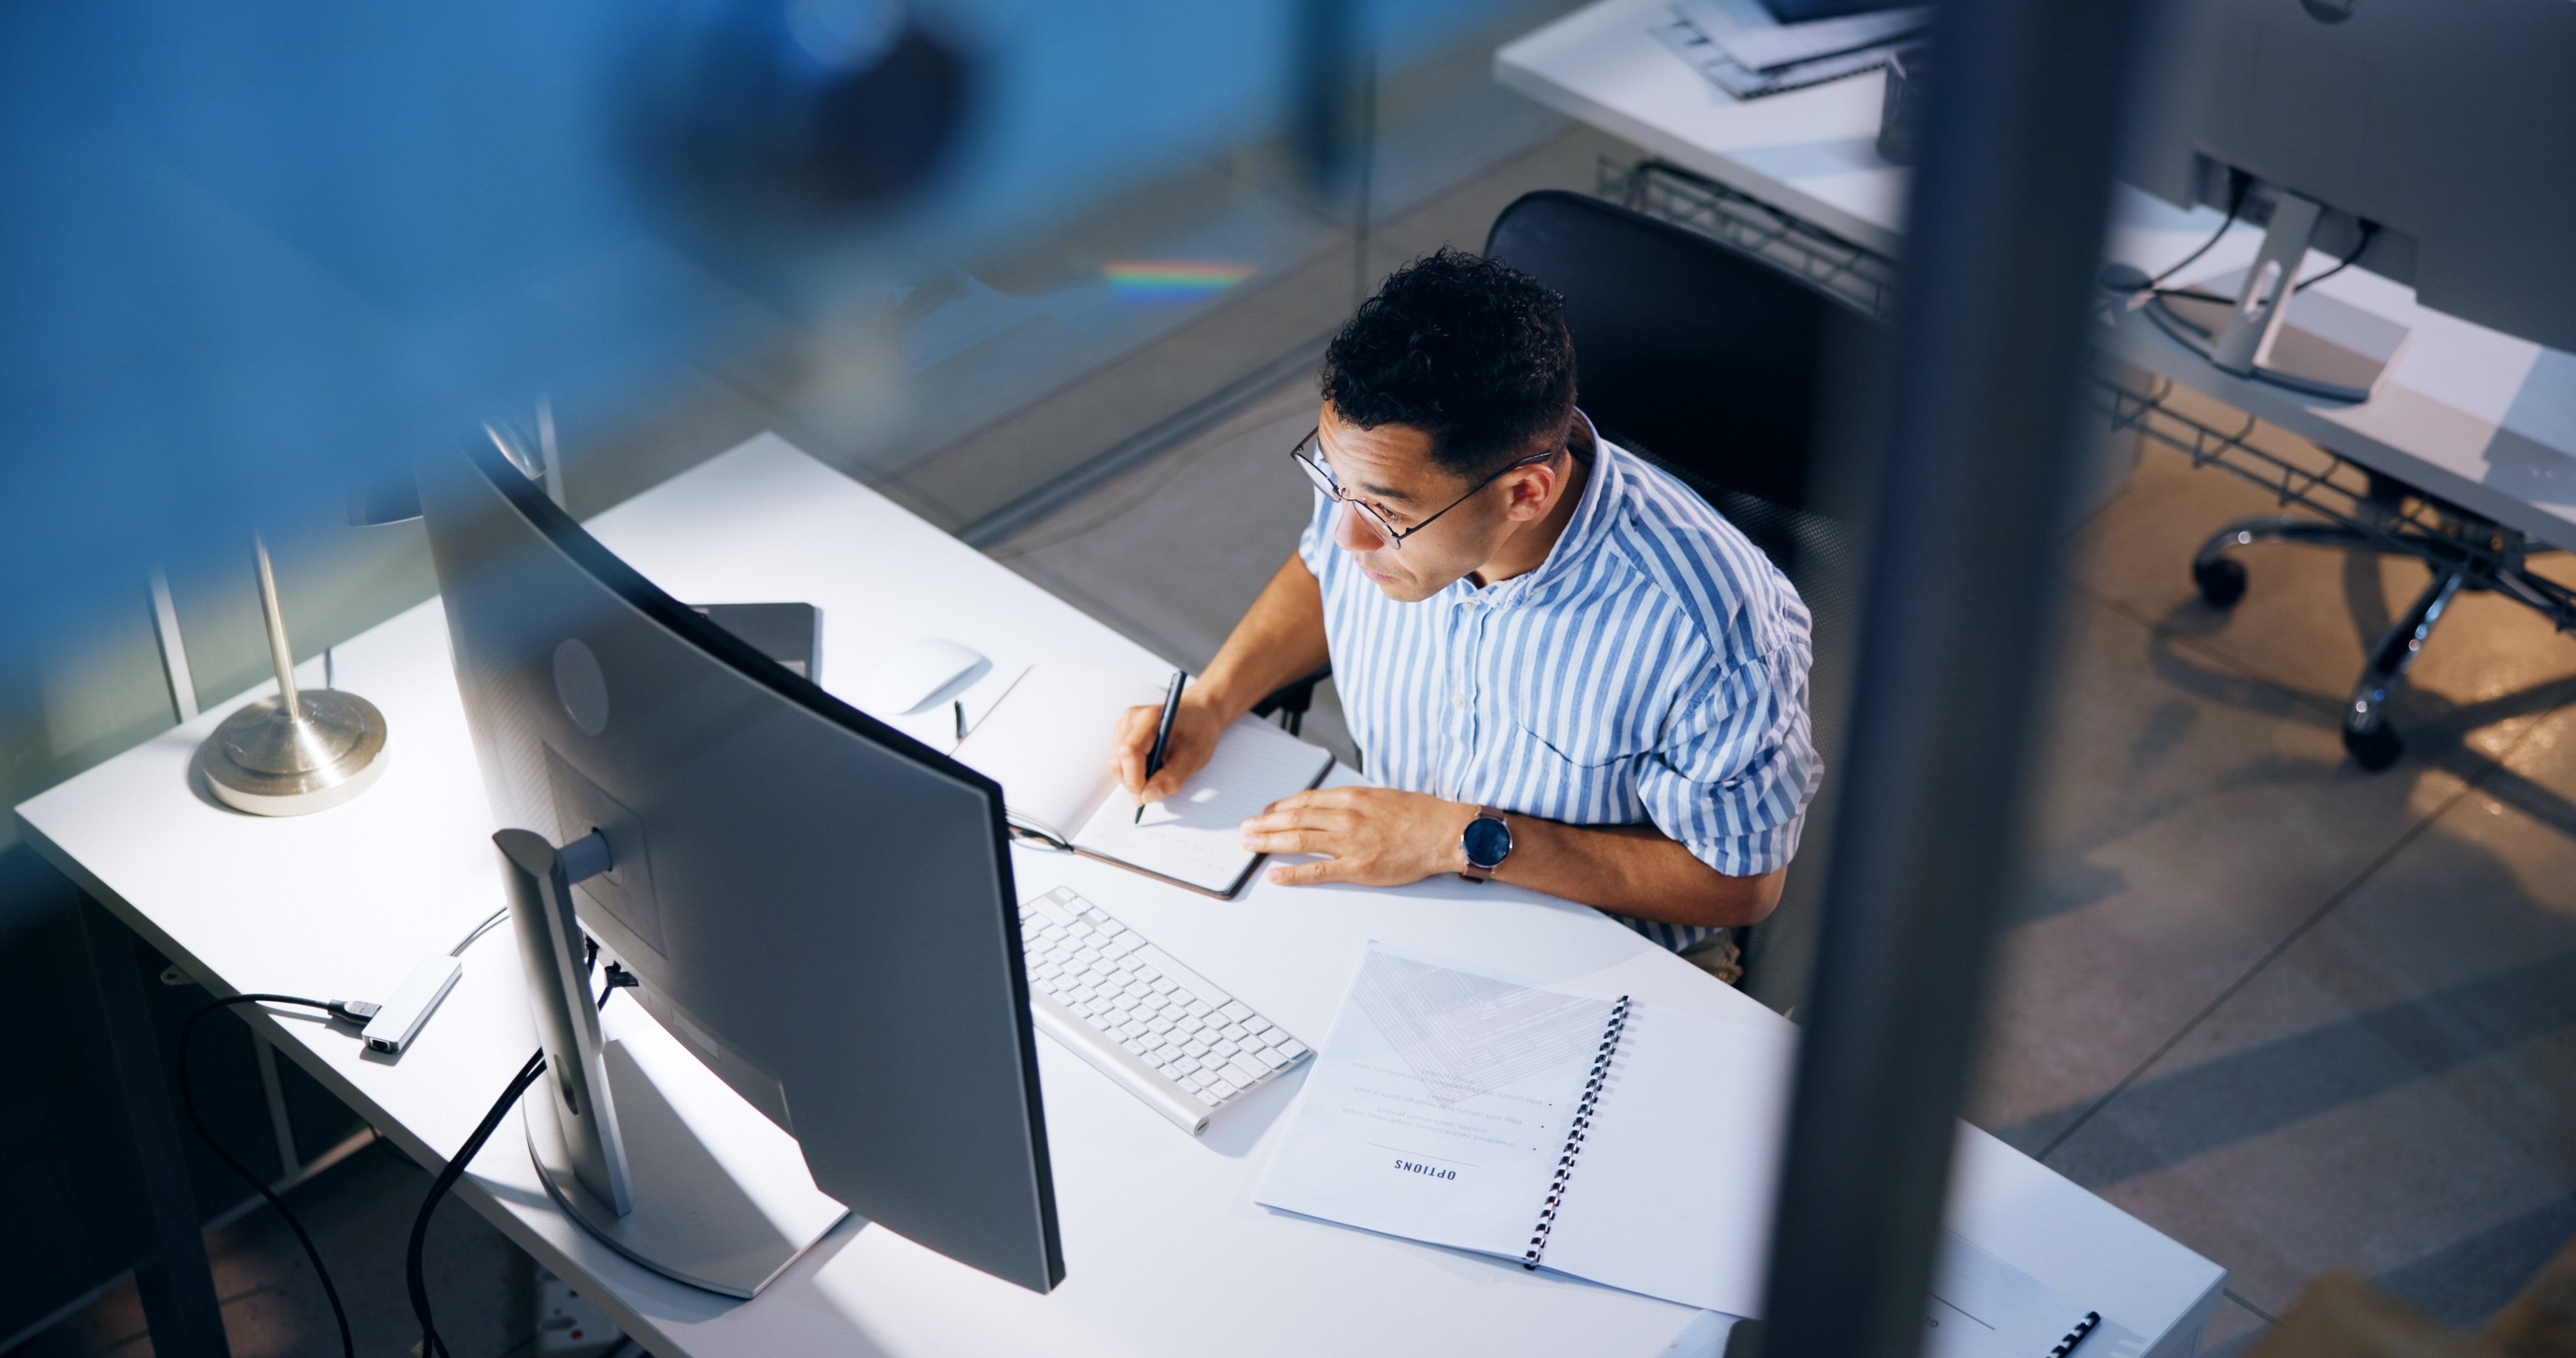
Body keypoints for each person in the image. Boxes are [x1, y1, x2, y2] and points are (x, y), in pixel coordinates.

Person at [1113, 248, 1820, 973]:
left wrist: (1455, 838)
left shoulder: (1717, 629)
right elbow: (1320, 571)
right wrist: (1213, 700)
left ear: (1524, 495)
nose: (1346, 533)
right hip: (1391, 885)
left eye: (1384, 512)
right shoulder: (1376, 481)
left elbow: (1740, 882)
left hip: (1595, 963)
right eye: (1334, 482)